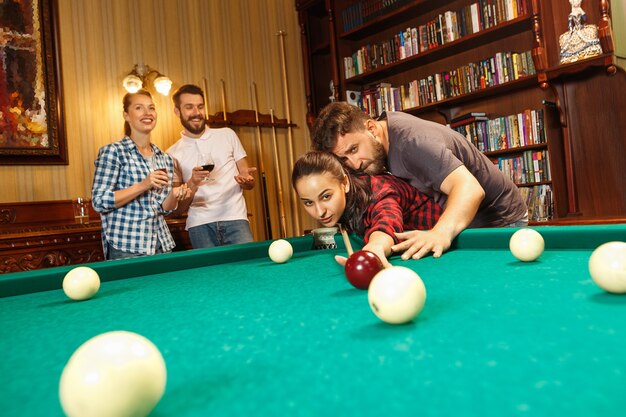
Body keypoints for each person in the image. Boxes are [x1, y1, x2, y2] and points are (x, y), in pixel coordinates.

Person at [311, 102, 528, 260]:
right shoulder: (385, 130)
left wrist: (440, 233)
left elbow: (469, 189)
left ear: (371, 128)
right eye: (343, 158)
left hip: (499, 222)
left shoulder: (412, 144)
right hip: (470, 224)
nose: (354, 163)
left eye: (354, 149)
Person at [292, 151, 442, 267]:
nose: (319, 212)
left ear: (345, 183)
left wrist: (374, 248)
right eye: (308, 203)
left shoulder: (378, 193)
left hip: (439, 241)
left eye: (326, 197)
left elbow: (387, 222)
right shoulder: (344, 200)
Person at [92, 90, 190, 260]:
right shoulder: (113, 152)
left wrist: (174, 195)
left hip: (161, 244)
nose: (147, 113)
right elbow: (99, 201)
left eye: (151, 108)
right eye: (139, 108)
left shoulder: (165, 158)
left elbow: (163, 209)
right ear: (126, 115)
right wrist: (143, 185)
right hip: (127, 246)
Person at [167, 84, 256, 248]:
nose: (196, 112)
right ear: (177, 111)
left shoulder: (227, 134)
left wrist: (248, 181)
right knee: (210, 274)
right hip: (199, 225)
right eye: (189, 107)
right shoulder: (171, 154)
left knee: (247, 269)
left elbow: (247, 177)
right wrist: (192, 183)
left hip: (235, 218)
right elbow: (177, 208)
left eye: (200, 106)